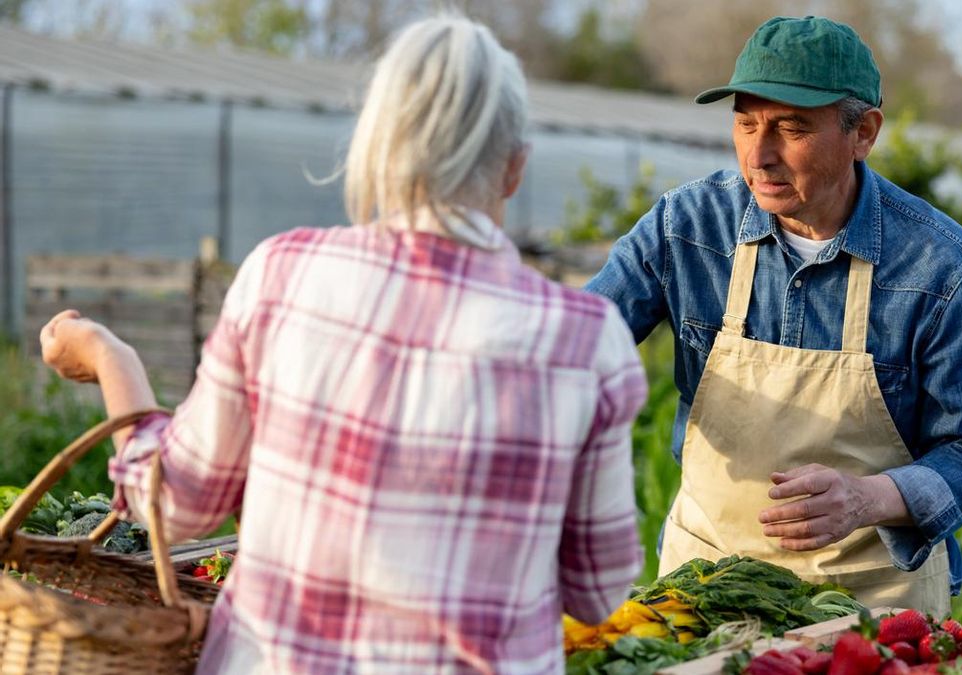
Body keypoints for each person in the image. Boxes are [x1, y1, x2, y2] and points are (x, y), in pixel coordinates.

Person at [39, 14, 646, 674]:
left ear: (378, 147)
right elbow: (598, 591)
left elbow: (173, 506)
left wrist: (112, 360)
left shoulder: (280, 276)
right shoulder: (588, 340)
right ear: (515, 169)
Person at [585, 15, 962, 617]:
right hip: (704, 584)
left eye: (790, 128)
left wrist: (867, 498)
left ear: (863, 133)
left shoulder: (938, 264)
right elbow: (577, 346)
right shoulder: (685, 227)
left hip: (872, 605)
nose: (758, 156)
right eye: (745, 123)